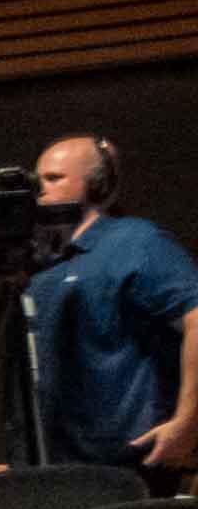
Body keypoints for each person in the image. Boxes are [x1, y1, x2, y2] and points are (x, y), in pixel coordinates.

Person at [27, 131, 198, 475]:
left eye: (54, 178)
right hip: (56, 463)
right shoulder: (41, 263)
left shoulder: (137, 242)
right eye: (38, 180)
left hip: (128, 461)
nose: (41, 190)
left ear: (97, 184)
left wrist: (186, 422)